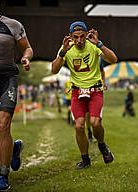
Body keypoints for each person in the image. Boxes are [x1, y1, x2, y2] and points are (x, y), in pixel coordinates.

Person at [52, 21, 118, 169]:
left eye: (82, 36)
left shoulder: (93, 45)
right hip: (77, 92)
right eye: (75, 37)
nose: (79, 41)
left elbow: (113, 59)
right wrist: (63, 52)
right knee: (79, 126)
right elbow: (54, 70)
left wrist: (99, 44)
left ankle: (102, 146)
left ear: (86, 35)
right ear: (70, 36)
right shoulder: (66, 48)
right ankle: (85, 159)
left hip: (95, 90)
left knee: (95, 123)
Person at [0, 0, 33, 190]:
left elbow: (27, 48)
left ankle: (3, 176)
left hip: (7, 79)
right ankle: (14, 148)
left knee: (3, 125)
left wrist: (26, 58)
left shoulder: (12, 25)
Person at [86, 57, 107, 142]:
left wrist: (104, 81)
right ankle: (89, 132)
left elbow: (102, 70)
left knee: (97, 118)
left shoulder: (99, 57)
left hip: (97, 89)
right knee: (87, 114)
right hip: (84, 89)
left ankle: (99, 137)